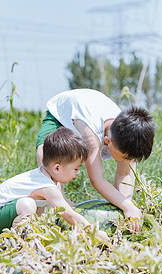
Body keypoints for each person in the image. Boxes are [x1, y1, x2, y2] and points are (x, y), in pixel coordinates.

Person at [36, 89, 155, 233]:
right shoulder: (91, 137)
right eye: (125, 158)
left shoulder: (127, 132)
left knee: (123, 203)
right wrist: (128, 207)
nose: (128, 161)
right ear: (107, 141)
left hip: (87, 111)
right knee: (48, 173)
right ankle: (37, 227)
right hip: (59, 118)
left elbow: (126, 172)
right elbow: (97, 180)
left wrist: (126, 207)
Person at [0, 127, 109, 242]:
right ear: (57, 168)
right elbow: (68, 214)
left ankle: (32, 236)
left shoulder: (46, 176)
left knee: (38, 207)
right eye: (76, 168)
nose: (78, 173)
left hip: (4, 211)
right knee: (28, 205)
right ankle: (19, 241)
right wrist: (94, 232)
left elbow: (68, 207)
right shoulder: (46, 186)